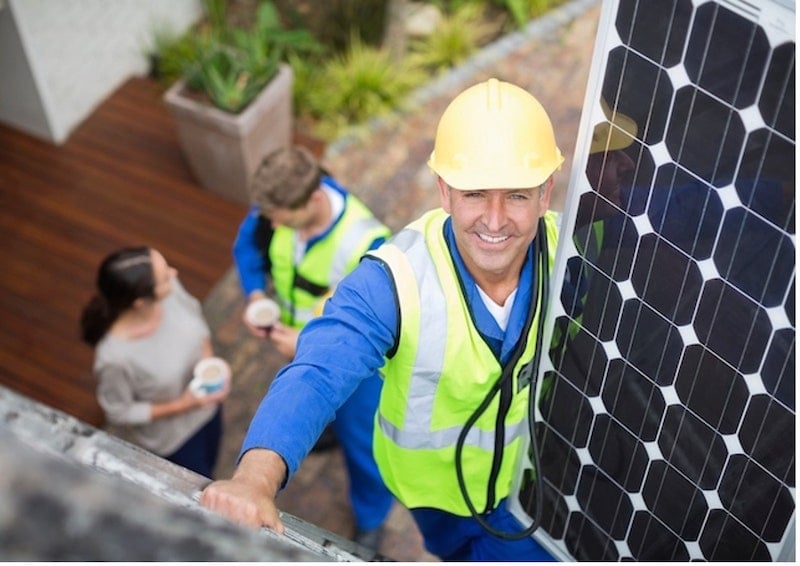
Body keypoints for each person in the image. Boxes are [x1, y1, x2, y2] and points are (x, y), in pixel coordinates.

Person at [202, 78, 563, 561]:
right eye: (475, 194)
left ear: (546, 194)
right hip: (439, 497)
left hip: (532, 484)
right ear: (444, 192)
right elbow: (318, 372)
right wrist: (253, 479)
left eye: (517, 196)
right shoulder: (393, 280)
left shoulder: (574, 255)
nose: (495, 221)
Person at [231, 145, 395, 549]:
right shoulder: (277, 206)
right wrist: (254, 294)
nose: (270, 222)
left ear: (314, 199)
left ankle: (371, 517)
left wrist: (306, 345)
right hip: (297, 344)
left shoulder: (367, 243)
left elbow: (374, 327)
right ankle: (327, 427)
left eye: (278, 218)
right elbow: (248, 246)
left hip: (357, 372)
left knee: (366, 447)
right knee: (317, 409)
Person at [80, 246, 230, 478]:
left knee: (213, 458)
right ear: (140, 302)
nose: (174, 273)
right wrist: (184, 405)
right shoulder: (114, 358)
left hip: (208, 410)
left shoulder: (170, 292)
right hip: (175, 441)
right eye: (164, 276)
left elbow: (195, 315)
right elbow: (119, 412)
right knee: (200, 483)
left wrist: (209, 363)